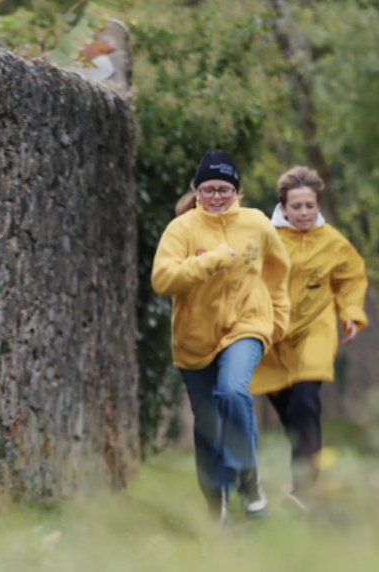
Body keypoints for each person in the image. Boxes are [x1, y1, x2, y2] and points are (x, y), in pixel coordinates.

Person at [152, 150, 291, 522]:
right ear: (197, 191)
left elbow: (278, 271)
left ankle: (248, 476)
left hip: (247, 325)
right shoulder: (181, 229)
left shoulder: (256, 224)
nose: (217, 197)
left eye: (224, 190)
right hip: (194, 339)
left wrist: (278, 319)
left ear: (237, 192)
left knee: (232, 389)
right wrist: (210, 259)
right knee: (208, 424)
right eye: (209, 189)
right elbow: (162, 279)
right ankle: (216, 504)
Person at [249, 166, 368, 507]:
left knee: (306, 401)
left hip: (315, 330)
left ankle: (304, 491)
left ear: (318, 205)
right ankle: (308, 470)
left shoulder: (332, 242)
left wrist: (351, 313)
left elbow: (351, 278)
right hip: (272, 336)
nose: (304, 212)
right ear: (283, 207)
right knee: (291, 414)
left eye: (310, 206)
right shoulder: (263, 238)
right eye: (296, 206)